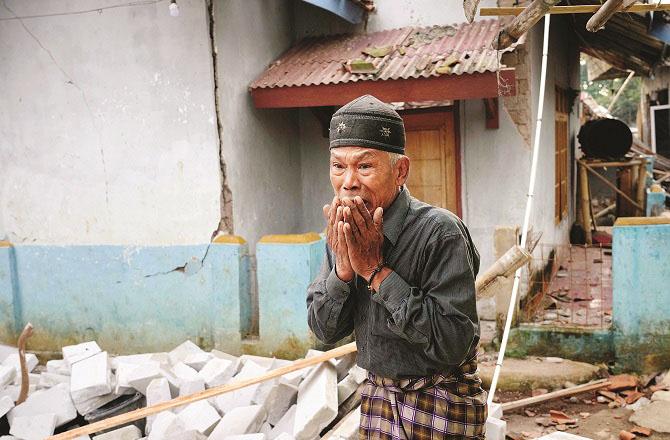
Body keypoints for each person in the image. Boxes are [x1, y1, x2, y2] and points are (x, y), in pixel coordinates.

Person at [306, 94, 487, 439]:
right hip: (377, 399)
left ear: (400, 170)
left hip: (442, 401)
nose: (348, 182)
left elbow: (453, 343)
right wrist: (343, 271)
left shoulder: (440, 232)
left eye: (365, 166)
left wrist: (375, 270)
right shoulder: (343, 230)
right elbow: (324, 332)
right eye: (338, 166)